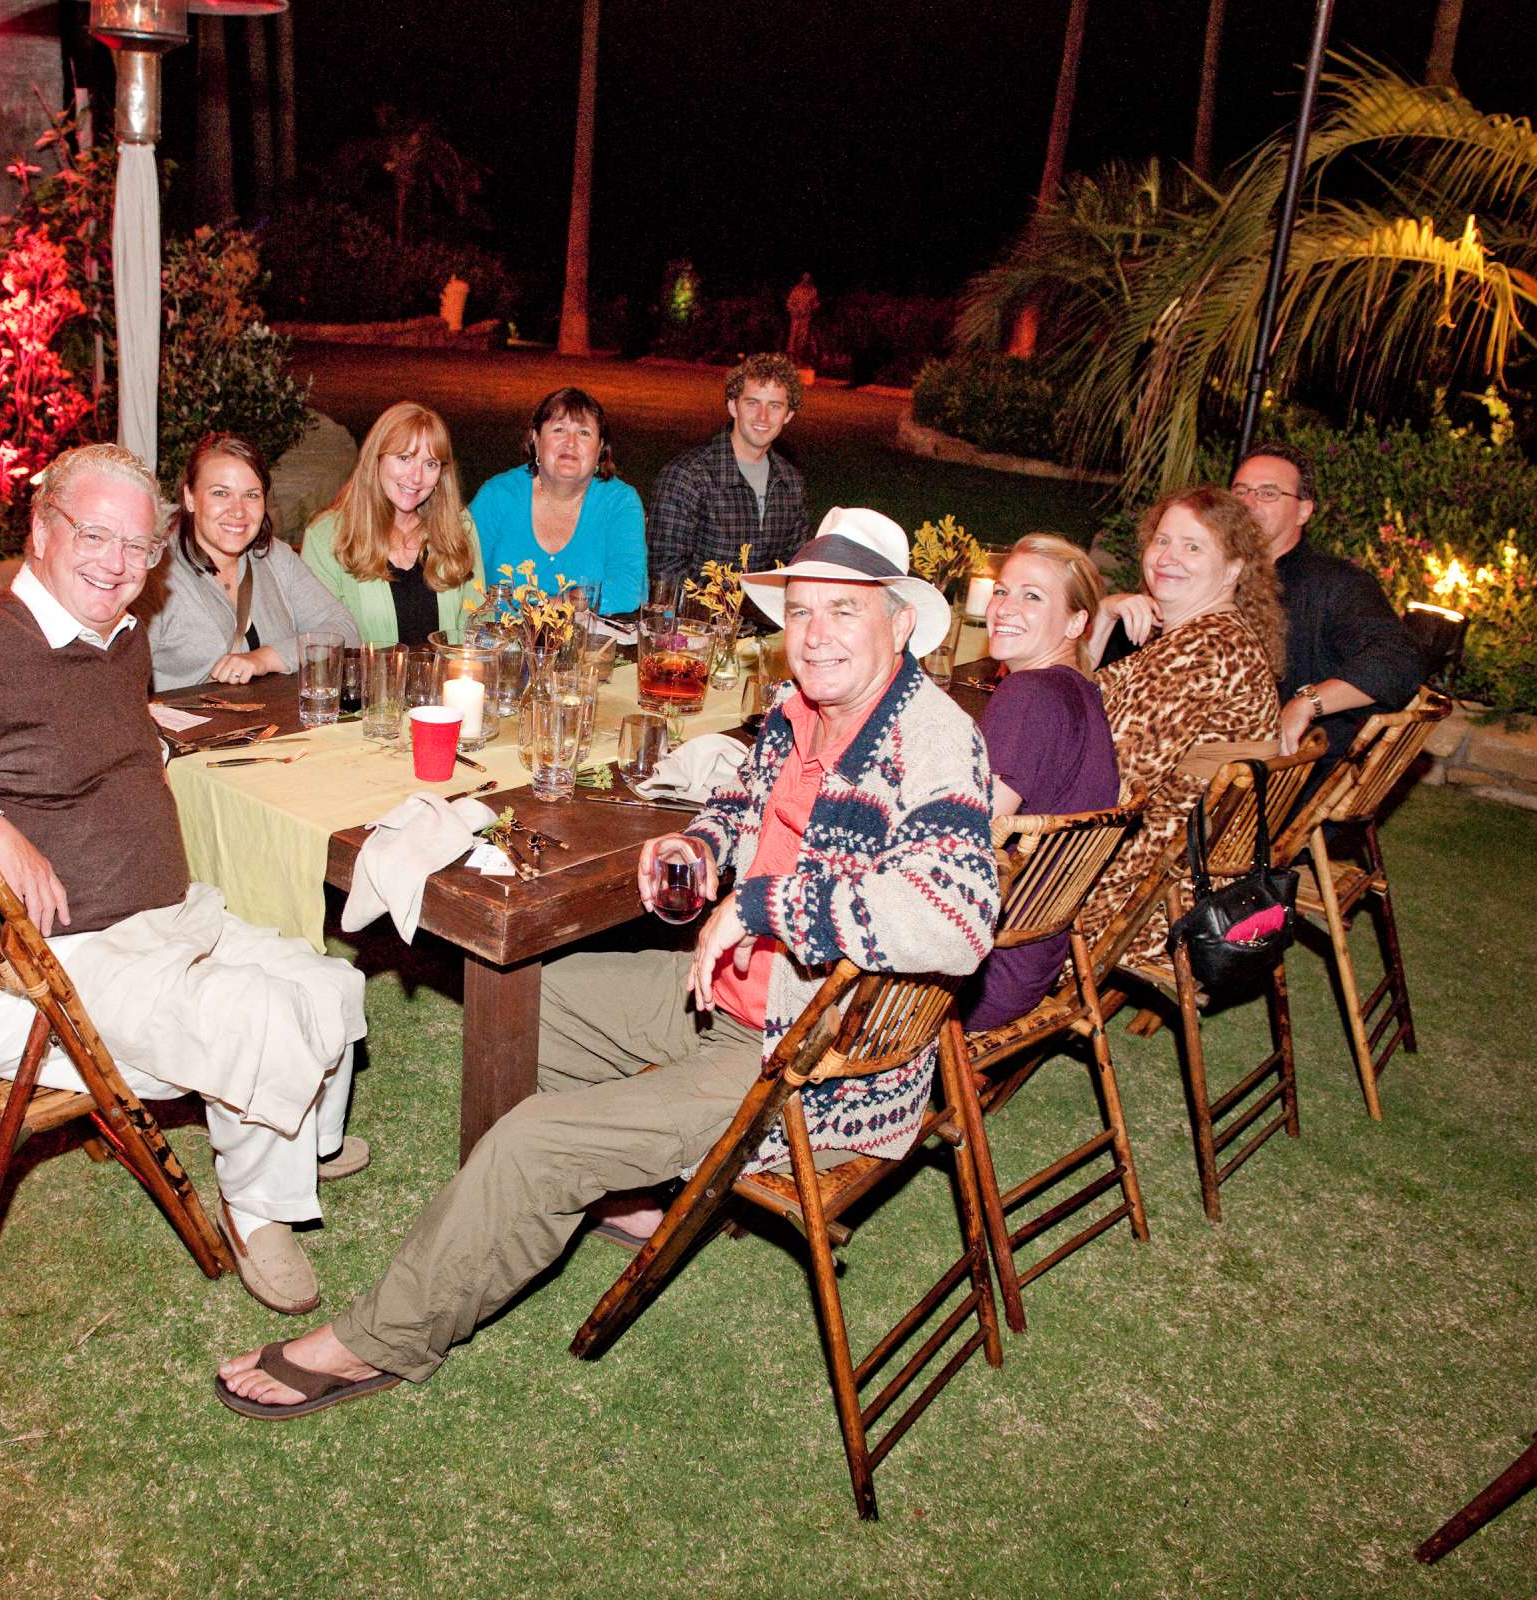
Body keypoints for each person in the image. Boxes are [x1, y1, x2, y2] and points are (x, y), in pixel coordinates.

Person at [215, 506, 999, 1418]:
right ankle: (591, 1202)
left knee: (535, 1142)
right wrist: (704, 852)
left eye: (844, 612)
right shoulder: (799, 711)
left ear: (900, 624)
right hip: (739, 997)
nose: (815, 635)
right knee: (516, 1006)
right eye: (803, 611)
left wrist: (759, 903)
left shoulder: (934, 741)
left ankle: (377, 1339)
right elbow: (744, 810)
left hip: (813, 1063)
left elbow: (958, 922)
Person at [0, 443, 367, 1315]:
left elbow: (67, 731)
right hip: (53, 960)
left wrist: (147, 732)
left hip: (163, 921)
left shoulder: (118, 635)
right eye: (96, 536)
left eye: (139, 549)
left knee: (328, 984)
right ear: (40, 529)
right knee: (256, 1017)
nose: (119, 565)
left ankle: (300, 1134)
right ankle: (257, 1211)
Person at [1076, 487, 1284, 967]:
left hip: (1146, 898)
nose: (1169, 558)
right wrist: (1104, 615)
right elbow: (1076, 704)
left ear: (1233, 569)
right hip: (1186, 873)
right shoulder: (1212, 636)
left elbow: (1114, 783)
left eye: (1193, 547)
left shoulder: (1199, 654)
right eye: (1162, 541)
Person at [961, 534, 1121, 1030]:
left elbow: (965, 836)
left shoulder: (1028, 694)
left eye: (1033, 596)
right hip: (1031, 960)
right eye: (1003, 591)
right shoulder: (1081, 694)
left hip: (974, 977)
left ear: (1076, 622)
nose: (1004, 608)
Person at [1232, 442, 1423, 766]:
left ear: (1304, 511)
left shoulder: (1335, 583)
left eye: (1267, 493)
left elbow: (1398, 661)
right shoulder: (1211, 572)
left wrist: (1306, 703)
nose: (1248, 503)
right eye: (1240, 492)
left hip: (1282, 780)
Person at [146, 432, 360, 690]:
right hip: (184, 728)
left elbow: (344, 632)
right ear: (190, 498)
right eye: (220, 493)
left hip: (276, 726)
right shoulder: (156, 573)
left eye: (251, 495)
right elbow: (119, 674)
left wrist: (267, 657)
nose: (238, 511)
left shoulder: (274, 558)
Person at [300, 402, 485, 647]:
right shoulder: (328, 537)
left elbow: (477, 624)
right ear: (376, 459)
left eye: (430, 464)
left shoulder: (458, 527)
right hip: (363, 684)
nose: (416, 477)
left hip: (446, 682)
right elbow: (319, 641)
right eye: (404, 458)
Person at [468, 386, 646, 614]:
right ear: (536, 439)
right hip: (499, 641)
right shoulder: (498, 495)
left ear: (600, 448)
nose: (570, 443)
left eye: (584, 433)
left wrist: (550, 607)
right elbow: (460, 575)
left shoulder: (619, 503)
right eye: (559, 429)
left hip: (585, 644)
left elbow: (628, 591)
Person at [648, 352, 810, 596]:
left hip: (765, 625)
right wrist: (733, 611)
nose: (763, 417)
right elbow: (665, 572)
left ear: (788, 415)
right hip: (695, 624)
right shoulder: (687, 476)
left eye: (774, 406)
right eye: (752, 403)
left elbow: (795, 569)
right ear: (733, 405)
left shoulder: (791, 484)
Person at [785, 272, 820, 364]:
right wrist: (794, 310)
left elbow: (815, 303)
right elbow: (789, 303)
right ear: (802, 278)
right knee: (793, 337)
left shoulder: (813, 290)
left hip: (806, 318)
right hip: (796, 317)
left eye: (808, 277)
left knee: (803, 338)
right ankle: (791, 356)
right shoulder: (796, 289)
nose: (806, 279)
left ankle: (800, 357)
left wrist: (813, 308)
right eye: (805, 277)